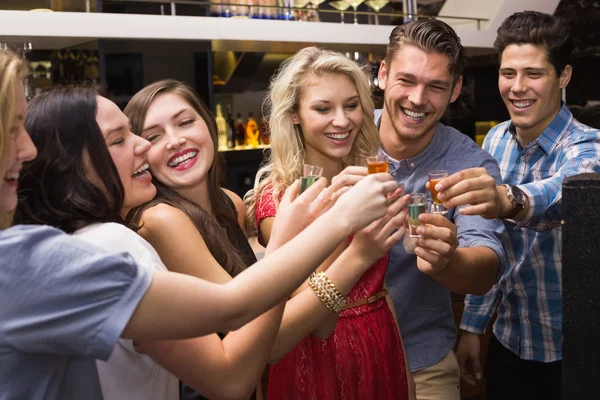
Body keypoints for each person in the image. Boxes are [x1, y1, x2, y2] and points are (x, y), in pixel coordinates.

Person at [1, 49, 397, 399]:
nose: (148, 144)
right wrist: (335, 232)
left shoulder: (226, 205)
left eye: (185, 121)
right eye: (122, 139)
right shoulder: (116, 240)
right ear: (70, 168)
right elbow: (233, 333)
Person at [436, 11, 600, 400]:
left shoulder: (588, 146)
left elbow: (564, 194)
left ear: (563, 77)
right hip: (509, 343)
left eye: (534, 73)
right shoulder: (495, 140)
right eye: (508, 73)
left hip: (577, 352)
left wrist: (507, 198)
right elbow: (491, 243)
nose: (517, 87)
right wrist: (474, 327)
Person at [245, 46, 412, 400]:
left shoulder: (371, 180)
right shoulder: (281, 202)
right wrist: (338, 217)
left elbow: (382, 288)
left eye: (351, 105)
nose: (342, 120)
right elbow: (320, 323)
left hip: (381, 345)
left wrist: (406, 379)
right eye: (323, 108)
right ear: (294, 115)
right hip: (318, 362)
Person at [375, 19, 506, 400]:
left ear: (455, 90)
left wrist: (448, 261)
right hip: (334, 352)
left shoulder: (471, 164)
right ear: (383, 74)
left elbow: (486, 264)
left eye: (435, 86)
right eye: (406, 80)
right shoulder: (345, 133)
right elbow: (281, 180)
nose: (418, 99)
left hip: (424, 361)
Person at [124, 80, 262, 400]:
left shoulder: (231, 204)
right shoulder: (160, 219)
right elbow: (248, 322)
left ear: (209, 125)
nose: (175, 140)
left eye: (185, 122)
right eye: (153, 136)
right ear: (140, 153)